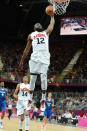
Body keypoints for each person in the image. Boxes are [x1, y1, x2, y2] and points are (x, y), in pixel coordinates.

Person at [19, 14, 55, 105]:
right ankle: (29, 98)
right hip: (34, 58)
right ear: (34, 28)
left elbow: (51, 25)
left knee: (43, 78)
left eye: (39, 24)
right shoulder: (31, 35)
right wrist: (22, 60)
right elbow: (27, 49)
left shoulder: (46, 33)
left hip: (45, 58)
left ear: (41, 27)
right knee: (32, 79)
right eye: (36, 24)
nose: (38, 24)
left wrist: (52, 17)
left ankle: (43, 98)